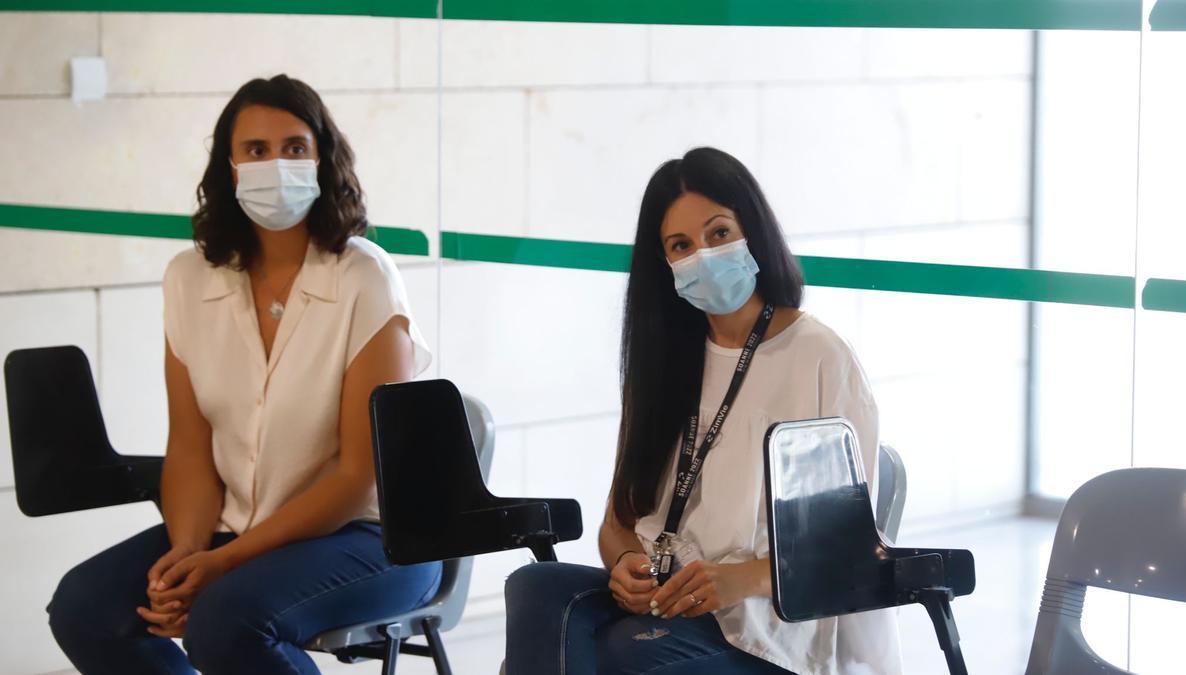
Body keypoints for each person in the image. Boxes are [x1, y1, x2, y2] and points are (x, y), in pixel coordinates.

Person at [46, 74, 440, 674]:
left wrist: (224, 565)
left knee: (227, 618)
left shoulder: (366, 277)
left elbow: (359, 477)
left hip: (377, 539)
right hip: (241, 531)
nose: (275, 163)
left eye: (294, 147)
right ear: (229, 166)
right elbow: (190, 446)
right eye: (256, 150)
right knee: (83, 607)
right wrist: (186, 555)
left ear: (322, 159)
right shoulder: (189, 278)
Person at [504, 147, 902, 674]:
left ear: (753, 230)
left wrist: (741, 579)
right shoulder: (662, 361)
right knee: (535, 588)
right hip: (668, 602)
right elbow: (619, 520)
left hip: (772, 624)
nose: (704, 255)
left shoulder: (819, 357)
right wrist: (624, 562)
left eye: (718, 233)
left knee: (620, 652)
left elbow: (847, 550)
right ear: (663, 263)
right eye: (681, 245)